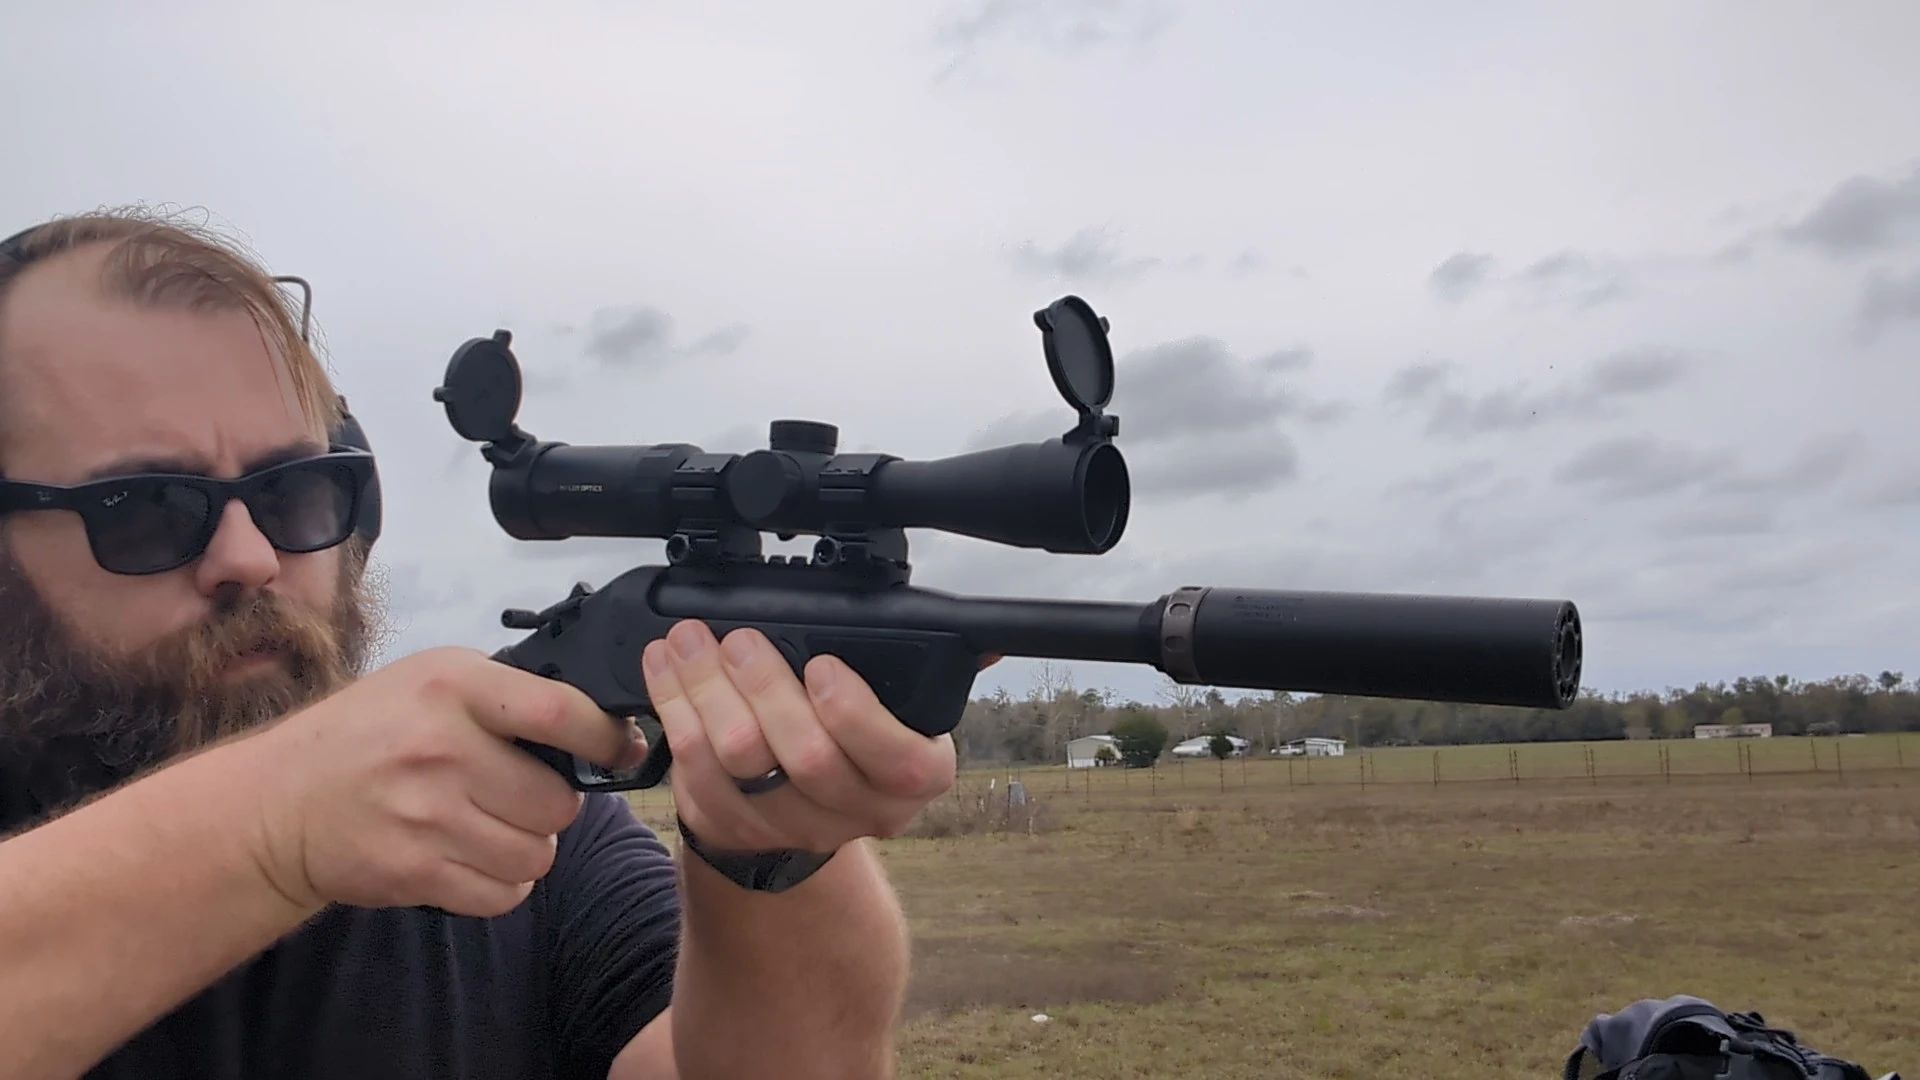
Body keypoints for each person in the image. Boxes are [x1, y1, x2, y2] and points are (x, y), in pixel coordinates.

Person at [0, 208, 962, 1080]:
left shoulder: (513, 829)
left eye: (295, 492)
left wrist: (773, 856)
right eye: (148, 508)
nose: (249, 558)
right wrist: (266, 831)